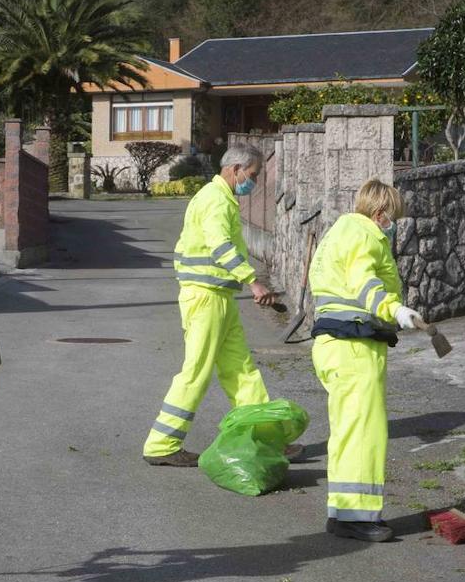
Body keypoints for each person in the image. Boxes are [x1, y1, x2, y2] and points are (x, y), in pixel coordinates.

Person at [142, 143, 292, 467]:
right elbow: (220, 246)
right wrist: (252, 281)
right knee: (195, 371)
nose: (252, 182)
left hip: (218, 297)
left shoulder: (222, 198)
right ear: (235, 169)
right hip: (206, 297)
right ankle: (162, 444)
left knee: (242, 371)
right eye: (252, 175)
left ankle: (266, 438)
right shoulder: (215, 200)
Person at [308, 179, 424, 543]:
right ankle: (355, 518)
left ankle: (343, 512)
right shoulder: (364, 235)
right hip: (354, 345)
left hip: (334, 343)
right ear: (380, 214)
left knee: (347, 431)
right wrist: (396, 309)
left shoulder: (338, 233)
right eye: (392, 219)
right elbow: (364, 283)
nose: (392, 227)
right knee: (363, 432)